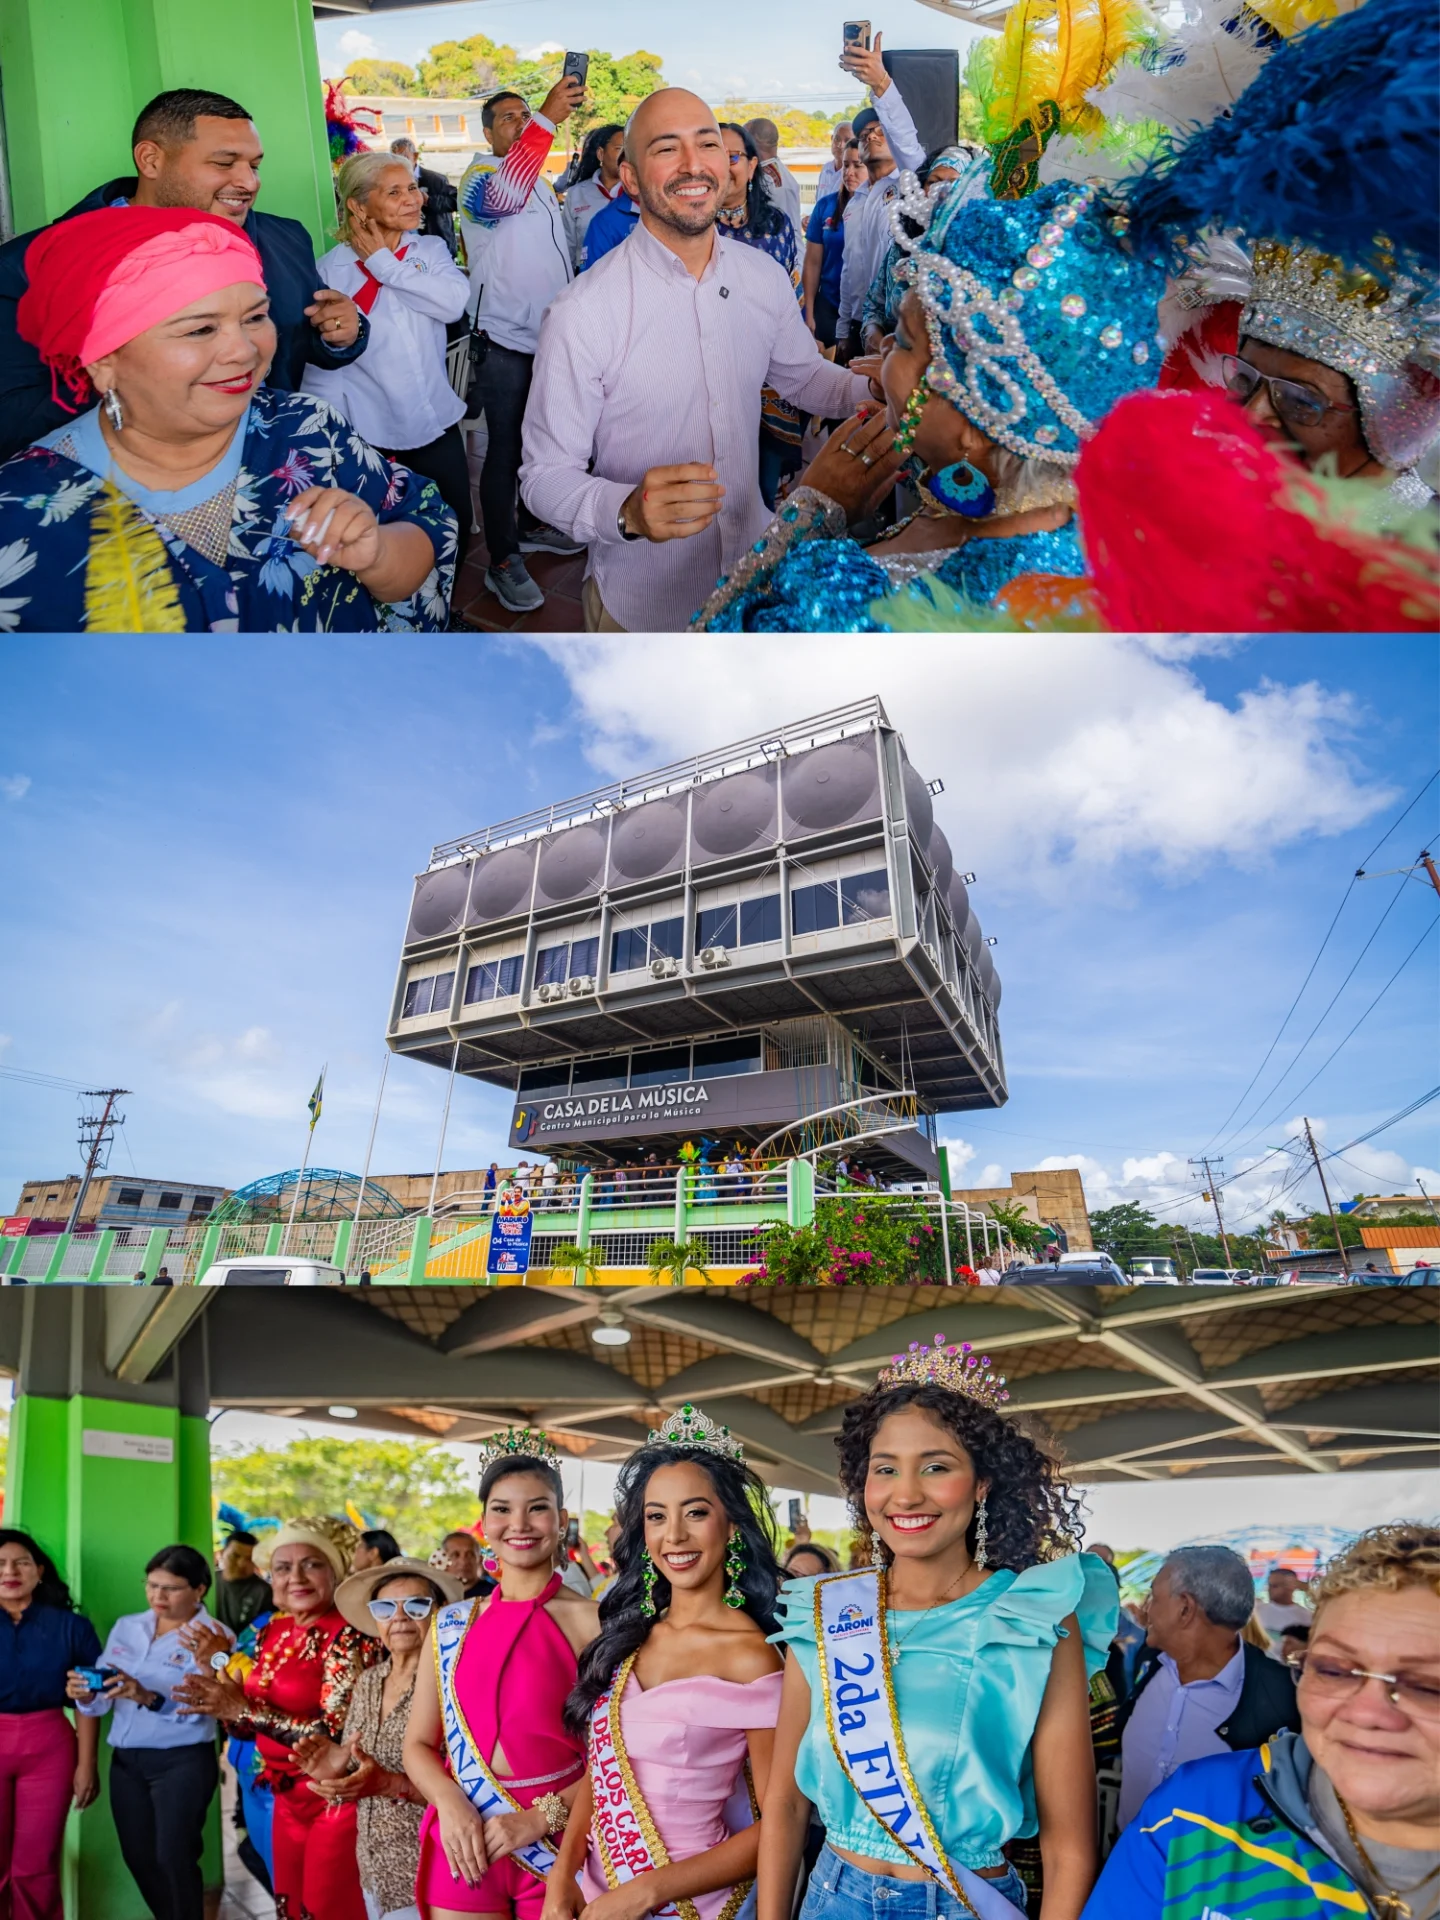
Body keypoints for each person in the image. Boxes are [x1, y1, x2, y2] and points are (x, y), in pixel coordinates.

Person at [692, 178, 1166, 630]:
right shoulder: (1084, 538)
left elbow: (707, 655)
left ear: (977, 427)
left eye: (903, 343)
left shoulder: (878, 608)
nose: (881, 350)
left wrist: (810, 512)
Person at [757, 1335, 1117, 1920]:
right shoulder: (825, 1609)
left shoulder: (1031, 1616)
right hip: (831, 1896)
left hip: (963, 1901)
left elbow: (1069, 1846)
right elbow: (786, 1805)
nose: (907, 1493)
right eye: (885, 1469)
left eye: (936, 1467)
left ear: (981, 1484)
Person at [0, 206, 456, 633]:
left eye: (255, 317)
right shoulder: (19, 516)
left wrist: (376, 553)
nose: (244, 350)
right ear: (102, 360)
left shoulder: (307, 428)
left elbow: (423, 524)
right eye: (200, 329)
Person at [519, 88, 876, 633]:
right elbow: (544, 477)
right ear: (631, 179)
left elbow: (802, 376)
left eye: (708, 144)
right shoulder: (582, 312)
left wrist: (876, 388)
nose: (693, 164)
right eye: (666, 149)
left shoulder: (760, 276)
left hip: (755, 580)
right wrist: (626, 511)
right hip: (642, 604)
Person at [1084, 1523, 1440, 1920]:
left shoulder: (1271, 1694)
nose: (1367, 1712)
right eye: (1334, 1670)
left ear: (1185, 1608)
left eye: (1428, 1686)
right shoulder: (1188, 1812)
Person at [0, 88, 368, 464]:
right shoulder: (27, 269)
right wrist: (148, 378)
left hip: (273, 472)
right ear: (151, 160)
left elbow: (304, 335)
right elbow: (12, 422)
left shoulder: (285, 238)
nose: (250, 182)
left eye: (254, 165)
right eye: (225, 163)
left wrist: (344, 333)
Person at [542, 1405, 785, 1920]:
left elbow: (778, 1823)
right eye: (657, 1516)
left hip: (691, 1904)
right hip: (595, 1894)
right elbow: (603, 1772)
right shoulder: (628, 1635)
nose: (673, 1535)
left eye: (695, 1512)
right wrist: (561, 1879)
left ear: (732, 1526)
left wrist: (644, 1893)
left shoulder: (752, 1654)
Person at [403, 1430, 601, 1920]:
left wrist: (540, 1818)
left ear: (562, 1521)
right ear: (484, 1521)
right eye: (501, 1509)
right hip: (466, 1840)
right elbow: (418, 1745)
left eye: (537, 1508)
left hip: (565, 1839)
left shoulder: (595, 1623)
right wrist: (450, 1805)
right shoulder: (450, 1624)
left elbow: (620, 1755)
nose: (519, 1524)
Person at [173, 1518, 379, 1920]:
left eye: (311, 1564)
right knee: (289, 1904)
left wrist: (240, 1709)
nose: (295, 1577)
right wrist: (222, 1703)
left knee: (328, 1908)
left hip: (333, 1798)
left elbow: (335, 1736)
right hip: (282, 1794)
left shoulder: (351, 1635)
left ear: (335, 1571)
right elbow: (247, 1710)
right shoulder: (273, 1630)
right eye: (282, 1567)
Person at [305, 149, 473, 567]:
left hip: (434, 420)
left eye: (413, 187)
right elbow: (323, 368)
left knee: (454, 519)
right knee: (387, 532)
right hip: (370, 433)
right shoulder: (328, 272)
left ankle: (448, 609)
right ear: (359, 207)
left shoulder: (429, 251)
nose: (413, 198)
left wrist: (384, 264)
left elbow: (452, 304)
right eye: (395, 191)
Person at [459, 79, 588, 616]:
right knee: (505, 449)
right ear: (487, 131)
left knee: (541, 445)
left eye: (525, 114)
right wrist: (549, 119)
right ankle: (503, 559)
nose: (519, 121)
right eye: (508, 117)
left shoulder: (537, 182)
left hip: (549, 337)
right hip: (505, 340)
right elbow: (501, 200)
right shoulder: (480, 178)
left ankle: (531, 524)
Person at [67, 1544, 232, 1920]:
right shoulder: (128, 1627)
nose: (158, 1595)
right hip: (127, 1762)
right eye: (152, 1585)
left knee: (174, 1856)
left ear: (199, 1590)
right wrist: (86, 1694)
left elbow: (213, 1706)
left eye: (170, 1588)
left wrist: (146, 1695)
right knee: (138, 1856)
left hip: (182, 1762)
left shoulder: (217, 1639)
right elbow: (103, 1700)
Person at [296, 1555, 464, 1920]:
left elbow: (471, 1789)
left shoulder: (456, 1683)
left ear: (439, 1612)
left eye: (417, 1605)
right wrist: (335, 1768)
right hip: (373, 1867)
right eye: (386, 1607)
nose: (400, 1617)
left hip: (433, 1870)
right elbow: (359, 1766)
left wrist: (391, 1784)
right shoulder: (369, 1680)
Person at [1116, 1544, 1302, 1832]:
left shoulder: (1282, 1696)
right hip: (1126, 1860)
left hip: (1216, 1874)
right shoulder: (1149, 1662)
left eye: (1154, 1596)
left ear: (1185, 1609)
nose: (1145, 1609)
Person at [0, 1529, 102, 1920]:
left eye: (22, 1562)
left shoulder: (72, 1628)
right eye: (1, 1563)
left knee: (36, 1863)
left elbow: (88, 1700)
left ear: (39, 1571)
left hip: (50, 1747)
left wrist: (86, 1763)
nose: (10, 1571)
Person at [803, 140, 866, 346]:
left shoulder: (879, 210)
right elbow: (812, 263)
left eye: (858, 165)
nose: (849, 172)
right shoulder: (825, 206)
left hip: (866, 312)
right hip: (828, 307)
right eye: (846, 164)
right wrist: (809, 313)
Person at [562, 124, 626, 269]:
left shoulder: (640, 194)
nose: (626, 155)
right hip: (587, 278)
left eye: (630, 149)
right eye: (619, 149)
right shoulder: (577, 194)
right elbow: (568, 246)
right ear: (601, 154)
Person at [390, 138, 459, 257]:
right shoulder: (391, 184)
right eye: (395, 159)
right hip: (407, 249)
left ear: (415, 156)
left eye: (404, 158)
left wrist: (430, 201)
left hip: (438, 247)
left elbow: (458, 201)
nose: (400, 164)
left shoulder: (435, 180)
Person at [745, 118, 802, 235]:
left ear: (752, 141)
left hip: (780, 248)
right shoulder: (776, 171)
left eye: (743, 139)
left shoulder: (767, 178)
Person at [213, 1530, 271, 1635]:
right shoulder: (207, 1581)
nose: (241, 1564)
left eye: (249, 1559)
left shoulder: (264, 1592)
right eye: (235, 1556)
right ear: (222, 1553)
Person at [1256, 1564, 1314, 1650]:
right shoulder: (1256, 1610)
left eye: (1275, 1586)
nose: (1269, 1589)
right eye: (1269, 1585)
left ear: (1291, 1587)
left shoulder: (1306, 1616)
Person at [439, 1531, 494, 1601]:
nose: (463, 1562)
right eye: (455, 1555)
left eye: (470, 1555)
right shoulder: (435, 1595)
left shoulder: (492, 1596)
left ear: (480, 1560)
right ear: (442, 1560)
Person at [815, 121, 855, 205]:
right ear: (832, 139)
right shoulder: (826, 168)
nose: (840, 145)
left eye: (847, 140)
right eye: (837, 139)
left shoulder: (854, 173)